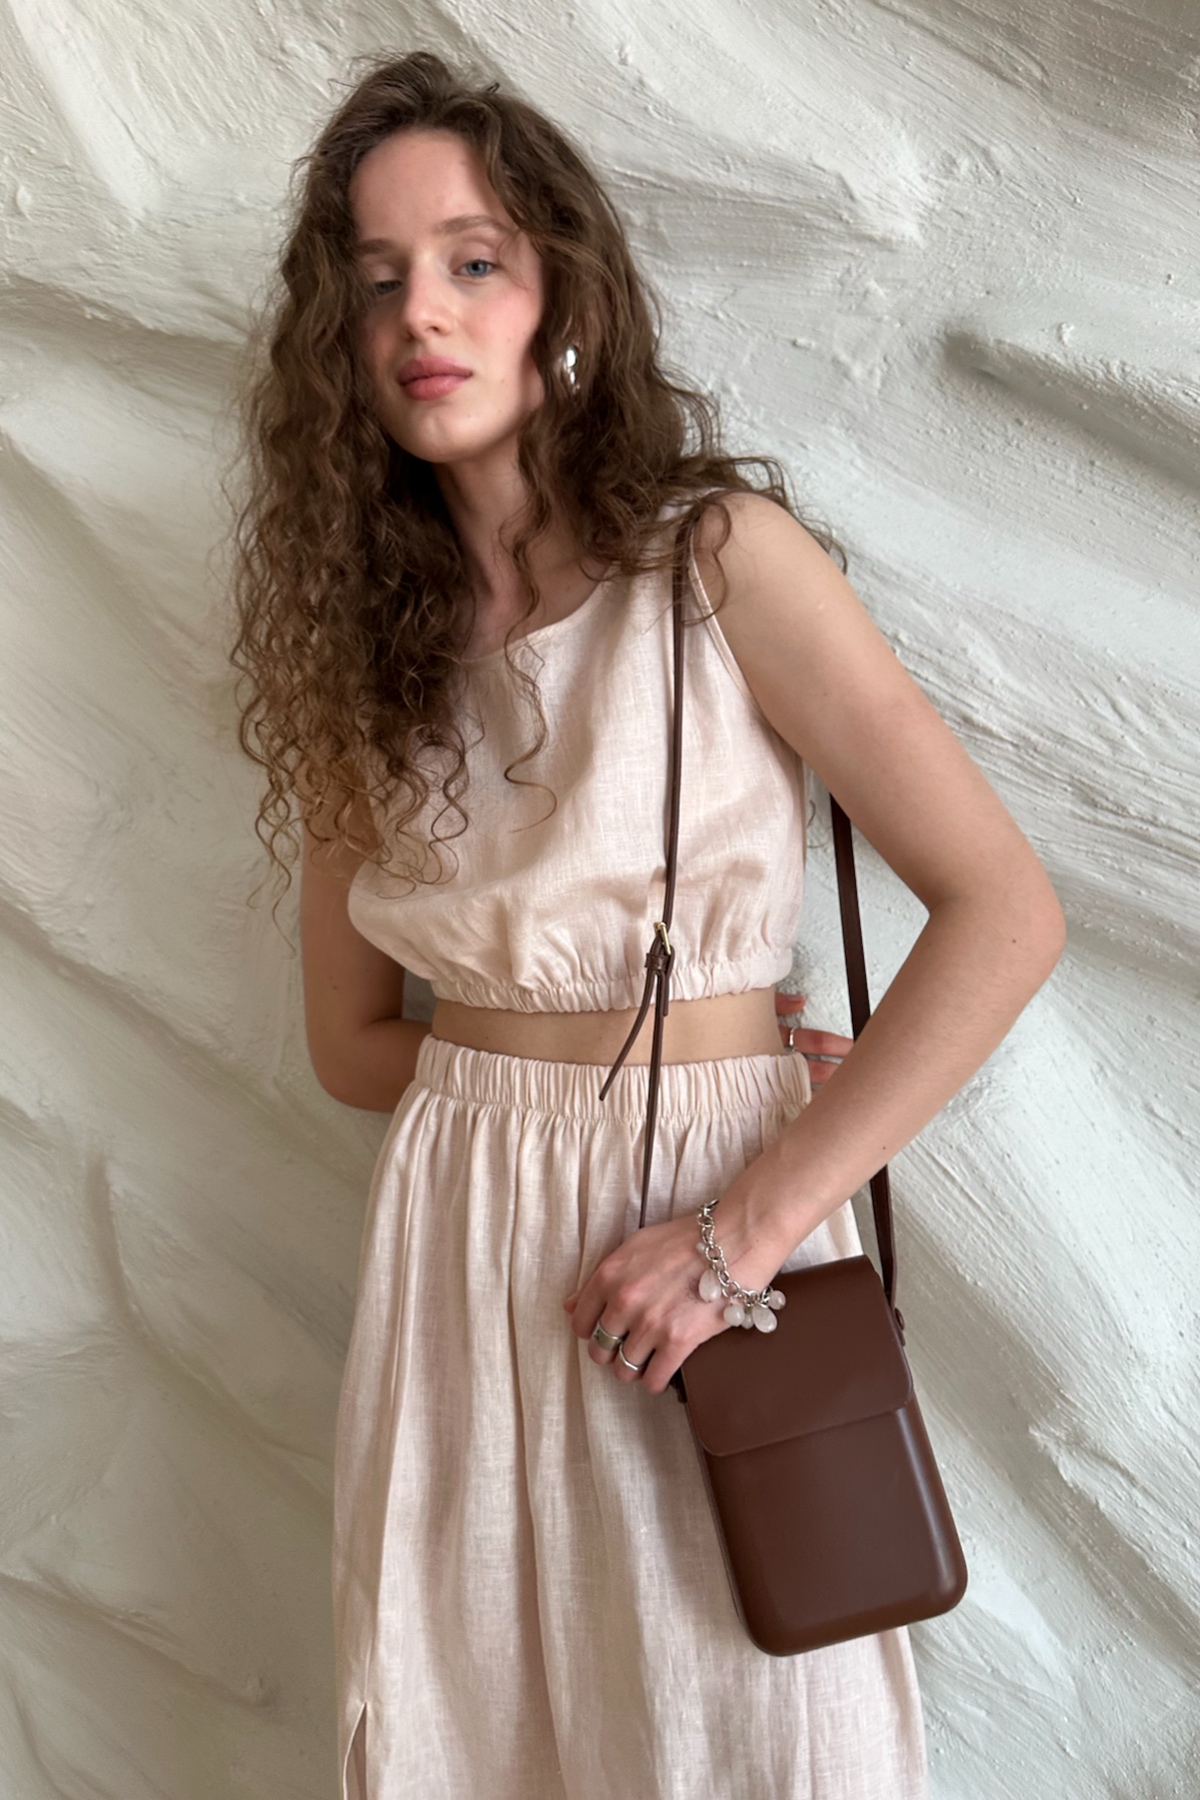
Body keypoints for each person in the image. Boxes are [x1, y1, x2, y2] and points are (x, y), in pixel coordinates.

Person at [226, 48, 1065, 1800]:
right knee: (481, 1731)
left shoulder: (718, 561)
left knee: (752, 1727)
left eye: (472, 260)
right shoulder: (363, 649)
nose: (419, 312)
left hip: (717, 1218)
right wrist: (545, 1086)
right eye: (374, 280)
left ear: (564, 298)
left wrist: (741, 1209)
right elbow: (352, 1046)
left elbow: (1005, 913)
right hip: (463, 1246)